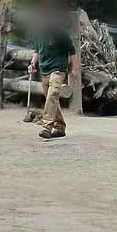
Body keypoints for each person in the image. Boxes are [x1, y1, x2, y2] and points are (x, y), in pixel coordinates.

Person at [28, 9, 78, 139]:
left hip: (58, 69)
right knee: (52, 99)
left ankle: (47, 126)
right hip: (44, 69)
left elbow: (72, 52)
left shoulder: (61, 34)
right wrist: (32, 63)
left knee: (53, 94)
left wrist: (74, 69)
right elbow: (36, 51)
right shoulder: (39, 34)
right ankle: (60, 126)